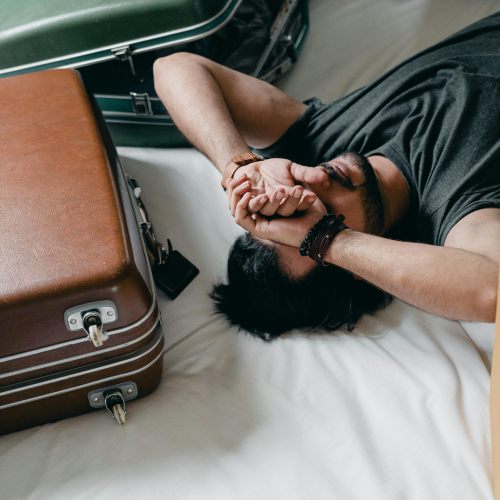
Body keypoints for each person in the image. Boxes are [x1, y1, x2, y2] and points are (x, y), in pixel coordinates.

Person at [153, 12, 500, 341]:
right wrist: (327, 240)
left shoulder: (320, 140)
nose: (313, 183)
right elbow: (492, 289)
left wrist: (240, 168)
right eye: (316, 215)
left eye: (288, 205)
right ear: (358, 269)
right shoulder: (455, 205)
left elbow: (174, 67)